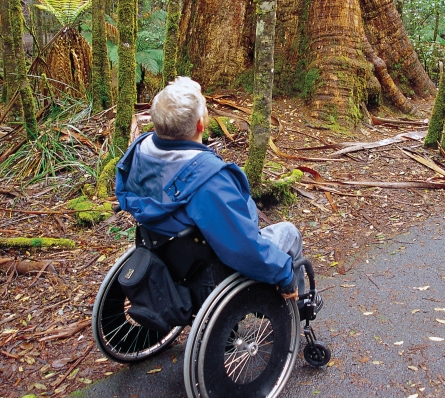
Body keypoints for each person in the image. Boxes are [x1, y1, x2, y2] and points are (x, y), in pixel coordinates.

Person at [116, 76, 319, 307]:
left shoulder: (140, 152)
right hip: (211, 267)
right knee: (289, 233)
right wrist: (284, 274)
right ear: (201, 124)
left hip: (166, 252)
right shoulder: (208, 181)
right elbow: (243, 247)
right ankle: (296, 308)